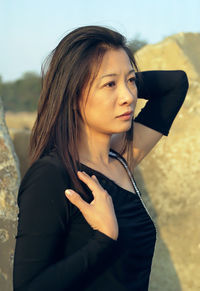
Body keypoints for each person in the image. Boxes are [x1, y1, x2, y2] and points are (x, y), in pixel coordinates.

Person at [13, 25, 188, 291]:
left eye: (131, 81)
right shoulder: (51, 176)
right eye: (109, 85)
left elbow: (176, 84)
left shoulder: (120, 160)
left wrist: (119, 78)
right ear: (72, 95)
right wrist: (103, 240)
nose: (128, 97)